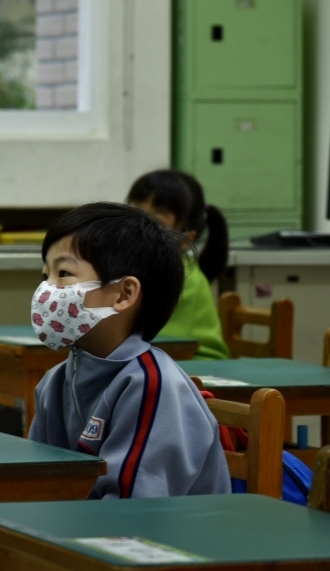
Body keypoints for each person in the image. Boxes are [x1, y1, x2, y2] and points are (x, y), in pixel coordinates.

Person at [28, 202, 230, 499]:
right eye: (46, 275)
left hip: (166, 541)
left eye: (64, 273)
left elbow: (129, 512)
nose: (47, 289)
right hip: (83, 533)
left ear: (124, 294)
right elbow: (36, 482)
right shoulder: (55, 381)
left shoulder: (151, 386)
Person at [127, 170, 231, 360]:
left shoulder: (177, 273)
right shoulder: (134, 265)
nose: (139, 227)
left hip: (196, 369)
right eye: (134, 213)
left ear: (185, 239)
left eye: (155, 222)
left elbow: (137, 335)